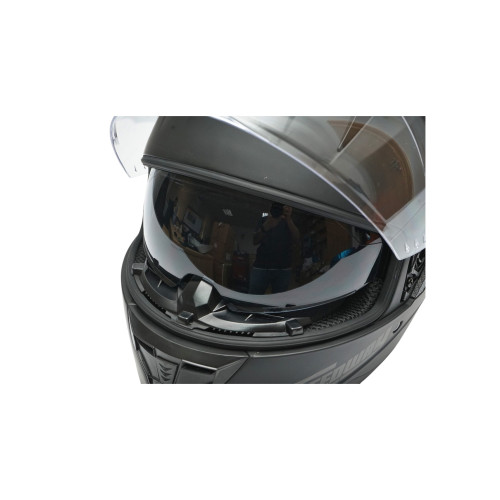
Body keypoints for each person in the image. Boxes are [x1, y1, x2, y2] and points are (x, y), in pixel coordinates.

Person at [248, 202, 300, 294]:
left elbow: (297, 239)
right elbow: (254, 241)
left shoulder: (290, 222)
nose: (278, 210)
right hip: (261, 266)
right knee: (253, 298)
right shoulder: (264, 220)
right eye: (276, 207)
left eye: (281, 208)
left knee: (278, 301)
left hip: (283, 268)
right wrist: (265, 227)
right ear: (270, 208)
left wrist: (288, 219)